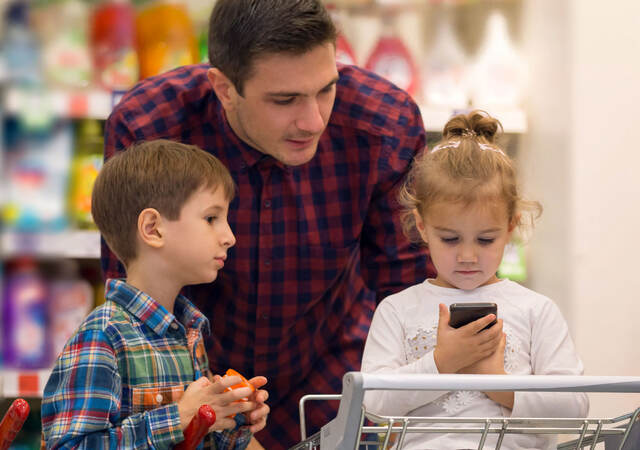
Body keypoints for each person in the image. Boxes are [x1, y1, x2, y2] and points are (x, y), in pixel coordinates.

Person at [102, 0, 434, 447]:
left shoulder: (383, 122)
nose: (313, 120)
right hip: (192, 393)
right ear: (223, 88)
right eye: (284, 100)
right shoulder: (152, 127)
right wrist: (224, 417)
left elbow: (406, 292)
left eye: (325, 89)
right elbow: (136, 310)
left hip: (333, 385)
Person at [361, 110, 589, 449]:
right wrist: (441, 363)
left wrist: (497, 383)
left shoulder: (536, 310)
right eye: (450, 239)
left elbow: (574, 408)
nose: (467, 256)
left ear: (511, 227)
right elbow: (374, 405)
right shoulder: (397, 310)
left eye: (485, 240)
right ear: (422, 226)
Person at [42, 140, 269, 449]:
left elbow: (194, 441)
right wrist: (179, 416)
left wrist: (231, 418)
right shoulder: (104, 336)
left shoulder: (189, 332)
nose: (229, 237)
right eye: (211, 218)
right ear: (153, 228)